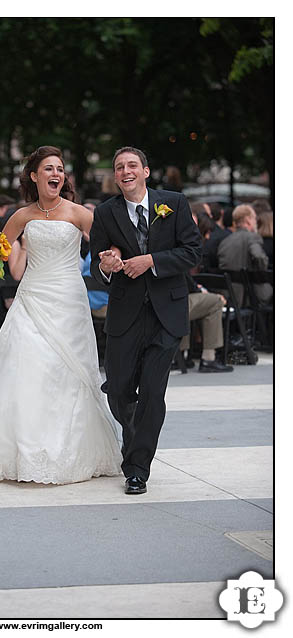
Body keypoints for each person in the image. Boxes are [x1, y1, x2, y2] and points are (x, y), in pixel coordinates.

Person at [0, 146, 122, 484]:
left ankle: (70, 446)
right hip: (32, 297)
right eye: (49, 168)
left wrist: (113, 258)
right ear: (34, 176)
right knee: (25, 365)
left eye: (60, 169)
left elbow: (110, 245)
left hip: (68, 299)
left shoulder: (80, 214)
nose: (56, 174)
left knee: (68, 372)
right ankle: (20, 448)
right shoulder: (21, 216)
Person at [89, 146, 202, 495]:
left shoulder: (175, 203)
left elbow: (193, 251)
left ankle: (137, 468)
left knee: (153, 393)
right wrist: (107, 264)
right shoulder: (105, 212)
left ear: (146, 171)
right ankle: (133, 440)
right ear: (115, 176)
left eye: (132, 165)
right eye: (119, 166)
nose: (126, 171)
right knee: (119, 390)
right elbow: (97, 262)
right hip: (125, 315)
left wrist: (151, 260)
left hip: (167, 314)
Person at [217, 204, 272, 306]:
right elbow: (258, 256)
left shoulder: (225, 241)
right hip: (249, 297)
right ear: (248, 220)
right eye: (255, 218)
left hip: (229, 296)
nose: (256, 222)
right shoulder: (253, 237)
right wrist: (262, 271)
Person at [178, 273, 233, 372]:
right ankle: (208, 358)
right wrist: (199, 289)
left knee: (186, 300)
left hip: (156, 302)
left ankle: (179, 356)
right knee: (216, 301)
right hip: (171, 304)